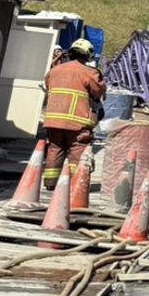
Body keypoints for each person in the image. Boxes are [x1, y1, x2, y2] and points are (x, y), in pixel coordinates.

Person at [42, 38, 104, 191]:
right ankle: (75, 184)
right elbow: (98, 91)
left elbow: (48, 85)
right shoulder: (90, 73)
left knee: (55, 149)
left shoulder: (54, 70)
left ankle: (50, 183)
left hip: (53, 120)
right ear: (88, 55)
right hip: (77, 121)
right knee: (79, 150)